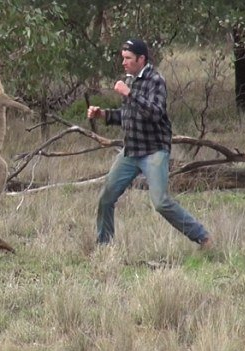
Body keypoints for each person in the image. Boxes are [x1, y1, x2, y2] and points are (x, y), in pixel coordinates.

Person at [87, 38, 213, 249]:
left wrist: (130, 94)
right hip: (131, 150)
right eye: (123, 58)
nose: (123, 63)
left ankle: (202, 237)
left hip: (154, 150)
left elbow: (155, 113)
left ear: (141, 59)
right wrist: (103, 114)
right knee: (106, 198)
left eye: (128, 58)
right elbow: (129, 114)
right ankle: (104, 247)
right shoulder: (129, 80)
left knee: (161, 202)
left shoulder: (156, 80)